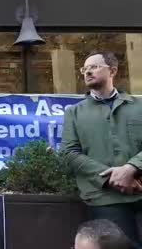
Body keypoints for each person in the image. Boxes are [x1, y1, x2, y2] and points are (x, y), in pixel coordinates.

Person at [61, 51, 142, 247]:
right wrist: (111, 178)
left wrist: (131, 168)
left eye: (94, 67)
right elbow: (69, 153)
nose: (87, 72)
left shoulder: (139, 106)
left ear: (112, 71)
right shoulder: (74, 113)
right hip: (104, 197)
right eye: (84, 69)